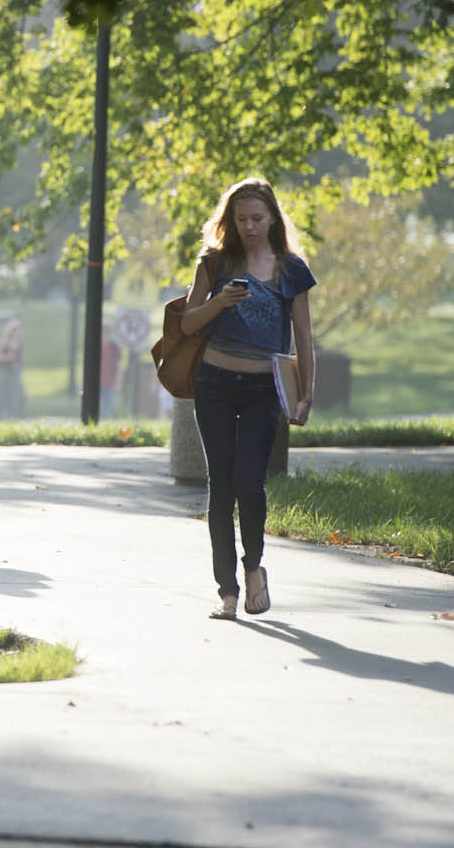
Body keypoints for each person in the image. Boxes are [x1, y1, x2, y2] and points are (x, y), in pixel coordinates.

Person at [179, 177, 316, 621]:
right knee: (220, 488)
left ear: (273, 218)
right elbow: (186, 326)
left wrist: (306, 394)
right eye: (241, 220)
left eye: (257, 218)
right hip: (214, 385)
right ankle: (227, 592)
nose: (249, 227)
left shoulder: (291, 270)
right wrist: (218, 303)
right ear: (229, 221)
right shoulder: (215, 263)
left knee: (249, 484)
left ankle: (254, 566)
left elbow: (303, 337)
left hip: (263, 390)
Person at [0, 316, 25, 419]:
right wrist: (7, 357)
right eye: (14, 329)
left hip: (15, 372)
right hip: (5, 372)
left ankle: (16, 415)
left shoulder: (20, 342)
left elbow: (20, 359)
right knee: (3, 396)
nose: (16, 332)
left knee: (15, 395)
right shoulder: (4, 342)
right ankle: (1, 416)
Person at [100, 336, 124, 418]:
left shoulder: (114, 348)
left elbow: (119, 366)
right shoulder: (95, 346)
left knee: (108, 406)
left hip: (110, 382)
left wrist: (118, 381)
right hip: (97, 383)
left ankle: (106, 422)